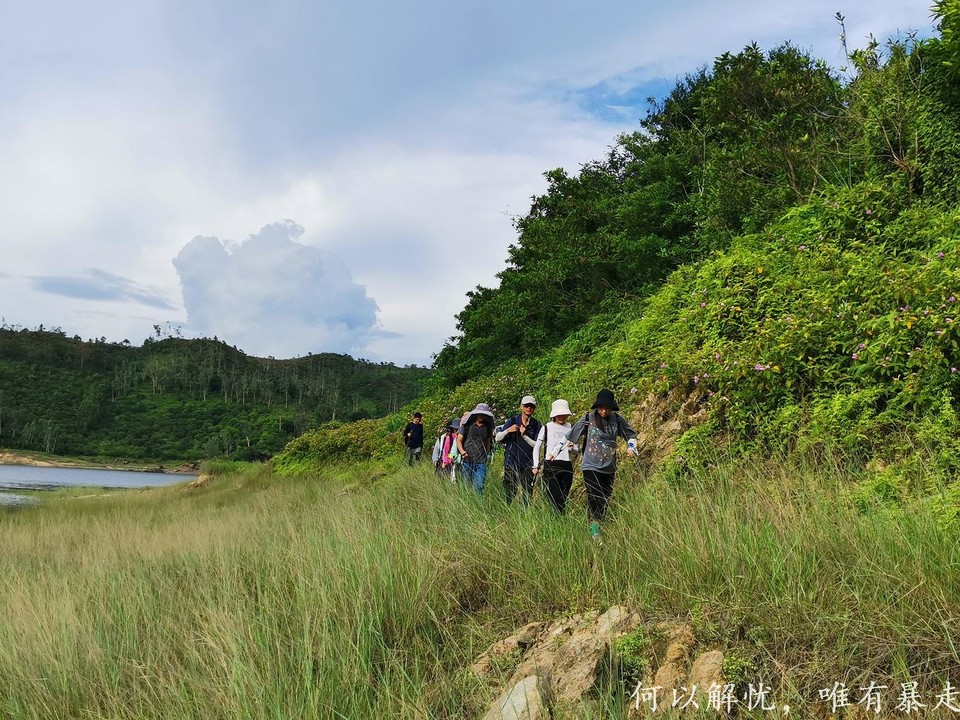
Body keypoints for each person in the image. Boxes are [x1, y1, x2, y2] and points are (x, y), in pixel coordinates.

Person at [565, 389, 638, 541]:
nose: (604, 411)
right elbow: (570, 437)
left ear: (612, 408)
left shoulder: (617, 420)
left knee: (605, 498)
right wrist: (558, 450)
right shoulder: (587, 418)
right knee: (594, 495)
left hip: (609, 466)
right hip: (590, 465)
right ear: (597, 407)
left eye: (607, 408)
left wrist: (631, 447)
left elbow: (631, 436)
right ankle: (594, 530)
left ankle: (599, 524)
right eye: (601, 407)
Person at [532, 398, 577, 513]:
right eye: (559, 414)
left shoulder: (570, 427)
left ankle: (558, 516)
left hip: (567, 464)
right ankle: (558, 517)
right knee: (554, 495)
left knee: (564, 494)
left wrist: (572, 447)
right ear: (554, 415)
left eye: (564, 414)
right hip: (551, 464)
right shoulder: (547, 427)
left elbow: (576, 450)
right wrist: (535, 464)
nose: (562, 417)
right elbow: (537, 447)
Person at [496, 395, 543, 505]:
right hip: (511, 462)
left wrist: (524, 436)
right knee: (509, 492)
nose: (529, 409)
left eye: (531, 406)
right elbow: (498, 438)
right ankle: (506, 515)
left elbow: (537, 445)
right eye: (526, 406)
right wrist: (508, 430)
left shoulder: (536, 425)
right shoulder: (512, 421)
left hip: (528, 464)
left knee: (527, 493)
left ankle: (525, 516)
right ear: (521, 407)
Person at [456, 403, 495, 494]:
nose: (481, 415)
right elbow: (459, 439)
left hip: (481, 462)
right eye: (480, 413)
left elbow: (488, 442)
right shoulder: (467, 425)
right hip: (467, 460)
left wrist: (486, 454)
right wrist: (462, 452)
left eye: (484, 414)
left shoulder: (488, 427)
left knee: (479, 486)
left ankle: (478, 505)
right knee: (467, 486)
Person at [432, 418, 460, 483]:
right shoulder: (441, 438)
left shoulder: (458, 438)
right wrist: (436, 461)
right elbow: (438, 451)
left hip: (454, 462)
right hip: (443, 463)